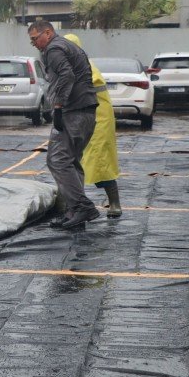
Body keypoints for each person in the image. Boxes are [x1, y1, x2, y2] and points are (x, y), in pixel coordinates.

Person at [27, 20, 99, 229]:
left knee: (57, 160)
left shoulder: (54, 48)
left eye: (35, 39)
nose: (34, 44)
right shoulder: (67, 47)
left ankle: (81, 206)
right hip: (85, 111)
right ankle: (74, 212)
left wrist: (58, 105)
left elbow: (67, 75)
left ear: (47, 33)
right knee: (71, 161)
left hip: (73, 112)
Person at [63, 34, 122, 218]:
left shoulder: (82, 67)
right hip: (85, 116)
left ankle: (114, 203)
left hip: (98, 117)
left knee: (100, 162)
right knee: (71, 161)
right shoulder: (74, 65)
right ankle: (74, 205)